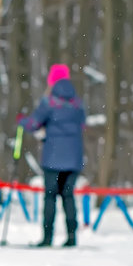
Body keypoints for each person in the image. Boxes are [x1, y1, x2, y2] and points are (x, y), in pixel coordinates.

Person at [18, 63, 86, 247]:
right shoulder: (77, 103)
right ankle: (72, 237)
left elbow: (33, 124)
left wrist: (22, 121)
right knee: (68, 196)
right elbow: (82, 124)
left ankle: (47, 237)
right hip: (73, 158)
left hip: (54, 157)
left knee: (50, 196)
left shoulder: (49, 102)